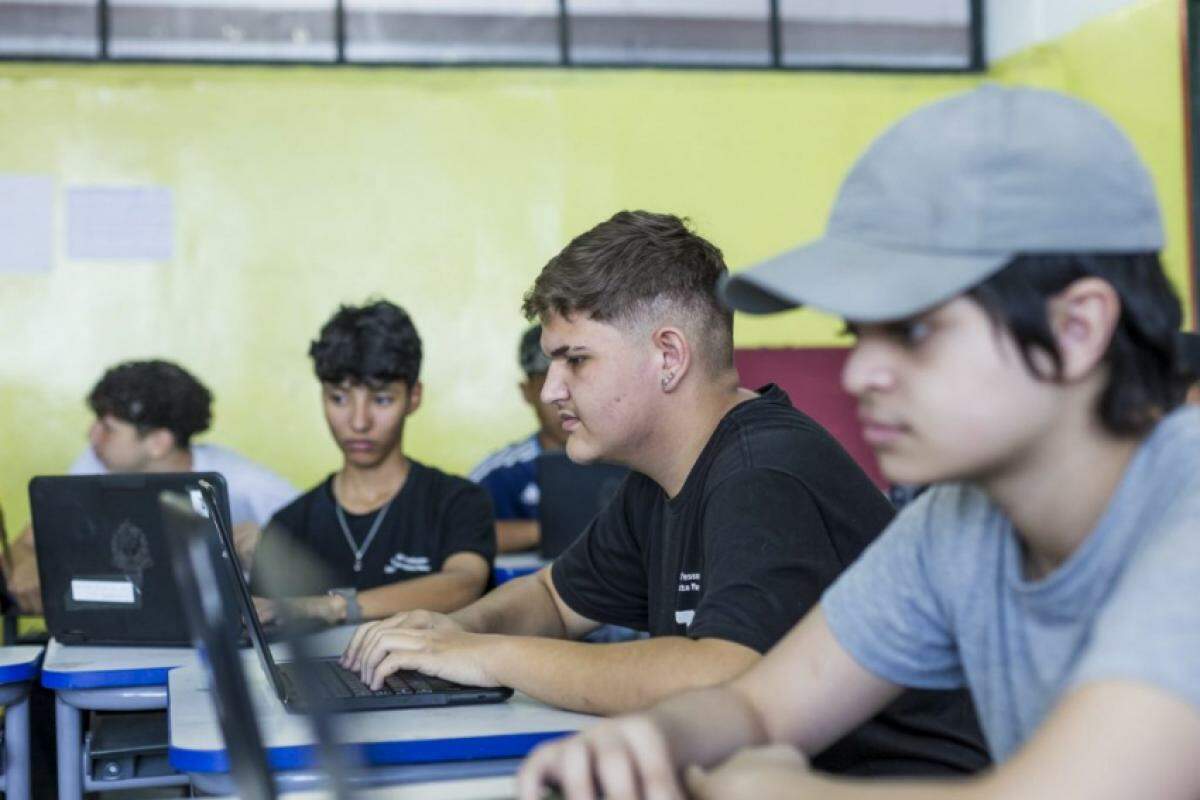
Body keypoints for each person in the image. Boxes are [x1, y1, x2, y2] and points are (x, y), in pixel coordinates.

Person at [516, 85, 1200, 800]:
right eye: (858, 333)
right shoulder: (960, 524)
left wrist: (769, 790)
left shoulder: (1186, 521)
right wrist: (649, 742)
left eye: (913, 330)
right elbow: (758, 705)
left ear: (1076, 329)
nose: (862, 372)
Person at [342, 211, 987, 776]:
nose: (551, 391)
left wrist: (488, 656)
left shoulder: (763, 471)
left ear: (669, 355)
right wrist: (447, 634)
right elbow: (553, 597)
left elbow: (724, 673)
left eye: (576, 360)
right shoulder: (660, 480)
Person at [249, 300, 495, 626]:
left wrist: (331, 607)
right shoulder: (289, 526)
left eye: (381, 399)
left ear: (414, 397)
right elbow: (262, 621)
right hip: (319, 678)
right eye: (339, 398)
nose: (359, 421)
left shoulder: (457, 501)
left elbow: (464, 584)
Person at [5, 359, 296, 614]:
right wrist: (26, 563)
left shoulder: (248, 485)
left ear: (158, 442)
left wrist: (266, 551)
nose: (91, 435)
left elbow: (322, 563)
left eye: (107, 428)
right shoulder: (97, 463)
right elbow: (30, 539)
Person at [469, 325, 568, 552]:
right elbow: (451, 534)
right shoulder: (500, 472)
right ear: (527, 392)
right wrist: (550, 530)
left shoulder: (628, 461)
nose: (563, 397)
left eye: (575, 381)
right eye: (549, 385)